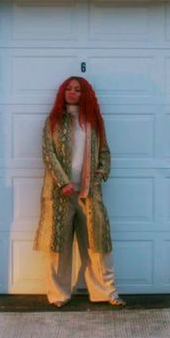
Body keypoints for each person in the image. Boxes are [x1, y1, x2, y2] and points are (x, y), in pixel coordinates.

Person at [34, 76, 125, 308]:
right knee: (59, 249)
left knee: (97, 245)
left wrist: (100, 173)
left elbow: (104, 151)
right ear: (62, 92)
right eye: (69, 88)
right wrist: (63, 182)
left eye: (78, 89)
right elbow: (48, 154)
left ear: (85, 94)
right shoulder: (53, 120)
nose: (73, 92)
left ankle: (106, 293)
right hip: (59, 195)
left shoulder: (93, 122)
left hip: (89, 195)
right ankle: (58, 295)